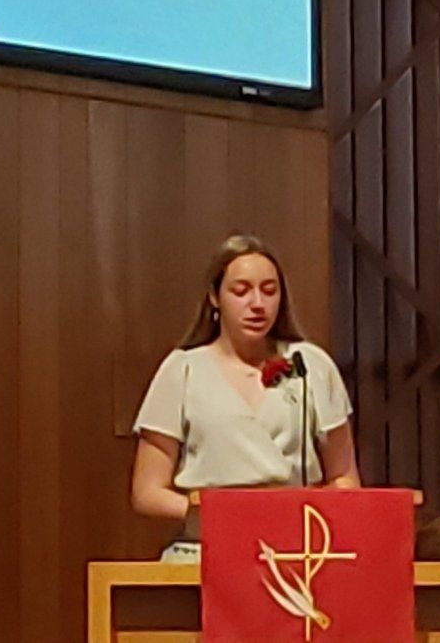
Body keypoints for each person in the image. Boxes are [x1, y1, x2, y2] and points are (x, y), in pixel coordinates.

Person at [129, 234, 360, 561]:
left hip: (295, 552)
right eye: (241, 291)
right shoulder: (182, 370)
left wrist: (304, 511)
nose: (257, 304)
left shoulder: (310, 365)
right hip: (206, 550)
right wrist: (221, 515)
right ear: (214, 297)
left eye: (269, 291)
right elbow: (147, 492)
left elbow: (345, 477)